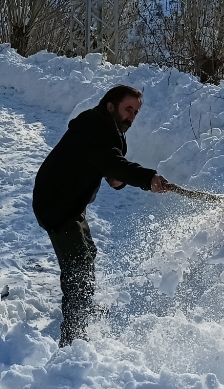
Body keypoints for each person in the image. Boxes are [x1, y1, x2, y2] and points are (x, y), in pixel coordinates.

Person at [32, 85, 168, 347]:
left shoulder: (107, 129)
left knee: (86, 253)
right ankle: (73, 337)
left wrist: (115, 175)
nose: (132, 116)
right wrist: (146, 177)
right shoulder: (94, 128)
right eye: (128, 108)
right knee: (78, 269)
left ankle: (82, 307)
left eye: (136, 112)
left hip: (70, 203)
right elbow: (110, 161)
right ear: (110, 105)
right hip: (57, 205)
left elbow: (108, 165)